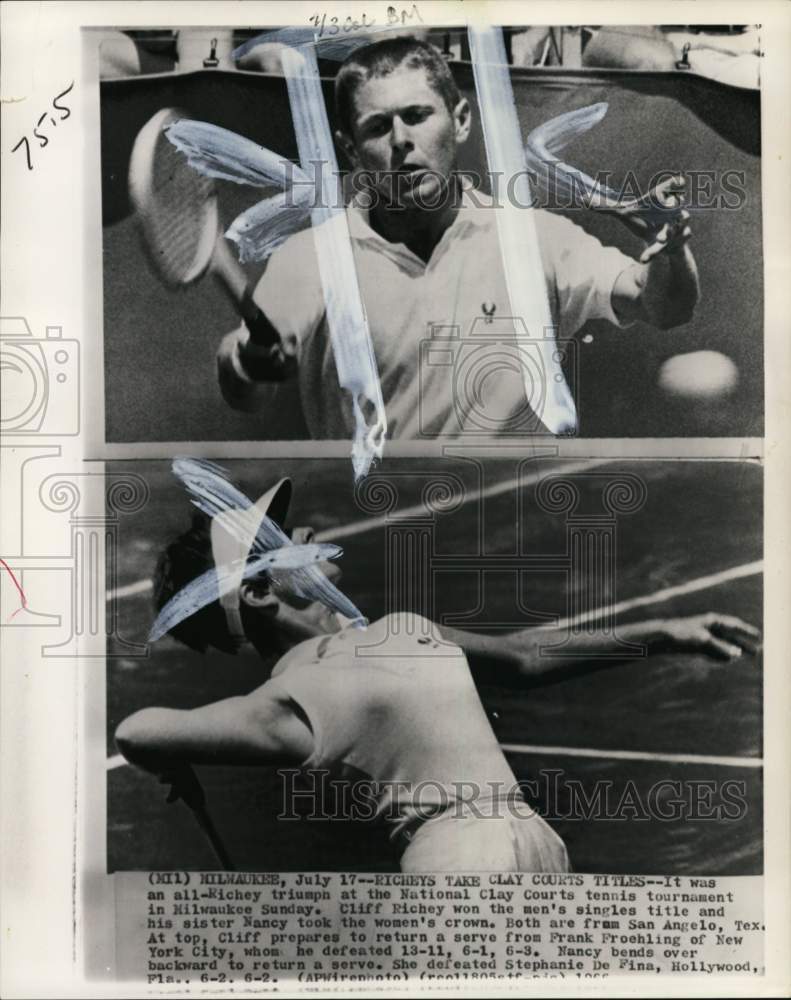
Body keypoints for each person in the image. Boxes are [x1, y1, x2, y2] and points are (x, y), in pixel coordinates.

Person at [115, 473, 759, 873]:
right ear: (257, 593)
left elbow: (524, 658)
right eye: (280, 540)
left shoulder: (400, 626)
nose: (305, 530)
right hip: (454, 861)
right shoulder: (285, 700)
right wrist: (169, 753)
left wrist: (662, 632)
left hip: (537, 843)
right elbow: (135, 731)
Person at [216, 34, 700, 438]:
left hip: (513, 514)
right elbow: (247, 389)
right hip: (376, 514)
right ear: (351, 150)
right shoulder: (311, 258)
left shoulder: (533, 238)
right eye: (378, 126)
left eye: (417, 115)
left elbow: (663, 306)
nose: (401, 140)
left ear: (461, 120)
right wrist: (245, 363)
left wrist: (670, 252)